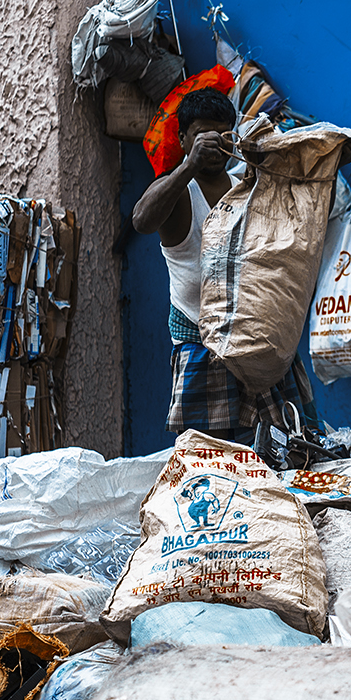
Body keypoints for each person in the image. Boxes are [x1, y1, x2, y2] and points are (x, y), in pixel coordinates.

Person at [131, 86, 316, 444]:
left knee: (284, 450)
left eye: (222, 133)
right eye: (201, 134)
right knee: (210, 460)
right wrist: (189, 166)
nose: (213, 143)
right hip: (202, 347)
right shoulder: (179, 191)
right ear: (184, 138)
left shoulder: (245, 186)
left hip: (256, 342)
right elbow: (141, 219)